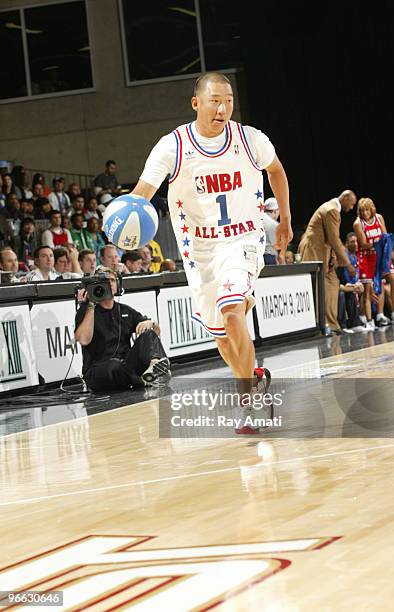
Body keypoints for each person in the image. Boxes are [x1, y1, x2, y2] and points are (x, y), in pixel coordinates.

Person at [129, 71, 292, 432]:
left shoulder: (250, 139)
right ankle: (255, 377)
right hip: (198, 248)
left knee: (232, 311)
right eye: (215, 100)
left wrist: (284, 220)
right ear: (196, 103)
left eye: (229, 100)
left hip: (243, 239)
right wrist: (123, 217)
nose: (223, 108)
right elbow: (143, 190)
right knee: (220, 336)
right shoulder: (173, 146)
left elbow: (276, 171)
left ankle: (249, 403)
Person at [74, 267, 170, 391]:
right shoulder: (87, 311)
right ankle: (139, 380)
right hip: (98, 370)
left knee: (149, 333)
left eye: (112, 280)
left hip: (125, 365)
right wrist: (91, 304)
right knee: (114, 366)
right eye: (105, 282)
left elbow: (155, 334)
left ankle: (154, 367)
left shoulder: (125, 310)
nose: (109, 284)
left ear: (118, 284)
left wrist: (151, 323)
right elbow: (83, 340)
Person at [298, 190, 357, 336]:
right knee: (318, 286)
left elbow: (330, 237)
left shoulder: (333, 209)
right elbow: (334, 238)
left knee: (332, 282)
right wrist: (347, 263)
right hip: (313, 249)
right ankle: (321, 325)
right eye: (351, 204)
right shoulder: (331, 210)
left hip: (323, 251)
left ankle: (332, 324)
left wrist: (333, 256)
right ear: (344, 198)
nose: (351, 208)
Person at [353, 197, 394, 325]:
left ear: (372, 210)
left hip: (381, 255)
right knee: (373, 288)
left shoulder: (379, 218)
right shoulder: (358, 223)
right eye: (362, 210)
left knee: (393, 280)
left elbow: (385, 236)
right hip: (367, 257)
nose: (365, 213)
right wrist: (377, 243)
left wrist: (385, 248)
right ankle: (373, 317)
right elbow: (364, 244)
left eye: (367, 210)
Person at [262, 197, 279, 264]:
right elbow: (276, 245)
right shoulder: (274, 224)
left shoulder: (257, 219)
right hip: (269, 257)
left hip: (257, 256)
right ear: (275, 211)